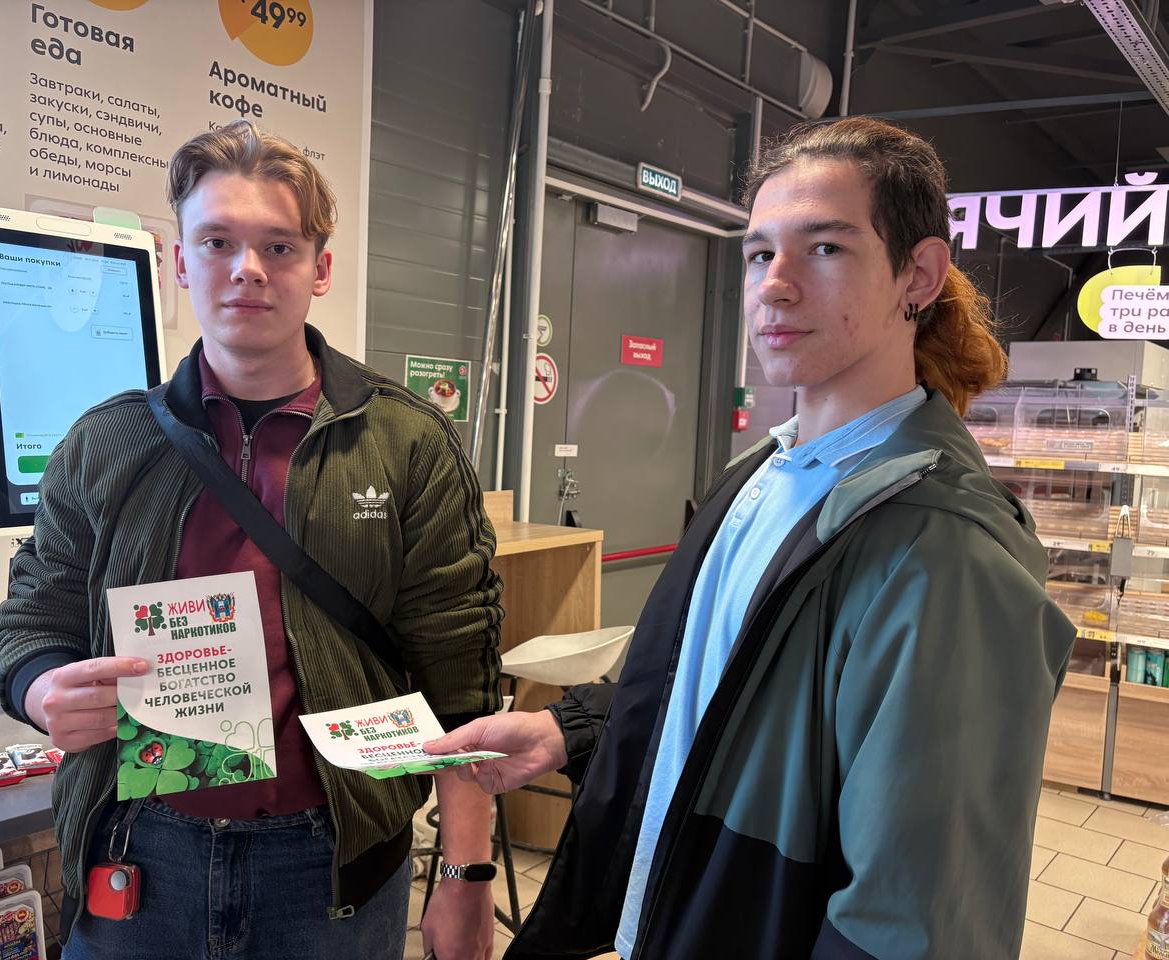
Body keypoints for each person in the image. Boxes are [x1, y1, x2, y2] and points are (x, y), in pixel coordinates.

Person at [425, 117, 1077, 959]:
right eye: (761, 253)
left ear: (917, 274)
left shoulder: (941, 550)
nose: (776, 286)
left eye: (826, 249)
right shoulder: (760, 474)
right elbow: (720, 693)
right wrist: (571, 730)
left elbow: (921, 918)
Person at [0, 119, 503, 960]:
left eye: (279, 246)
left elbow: (461, 677)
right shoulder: (106, 444)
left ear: (320, 268)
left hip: (333, 867)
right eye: (219, 241)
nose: (248, 269)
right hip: (140, 854)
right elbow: (34, 617)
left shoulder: (406, 442)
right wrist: (43, 687)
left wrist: (465, 874)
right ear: (180, 262)